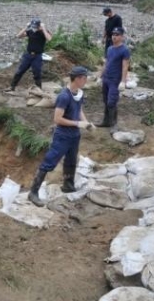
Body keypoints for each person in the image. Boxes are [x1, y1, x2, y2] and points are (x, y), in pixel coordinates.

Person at [27, 66, 94, 206]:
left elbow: (79, 109)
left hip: (75, 135)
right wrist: (77, 123)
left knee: (71, 160)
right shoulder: (64, 96)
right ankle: (33, 192)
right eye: (84, 78)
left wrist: (86, 123)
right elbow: (57, 119)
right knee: (50, 161)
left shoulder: (79, 93)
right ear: (76, 79)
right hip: (63, 135)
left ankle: (68, 185)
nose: (86, 80)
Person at [96, 26, 130, 132]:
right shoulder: (110, 48)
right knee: (105, 101)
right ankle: (106, 121)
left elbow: (125, 66)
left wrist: (123, 81)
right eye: (113, 34)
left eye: (117, 35)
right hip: (106, 78)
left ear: (122, 37)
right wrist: (100, 76)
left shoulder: (124, 50)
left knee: (112, 102)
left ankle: (114, 124)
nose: (114, 37)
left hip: (115, 80)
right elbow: (106, 63)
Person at [4, 18, 52, 93]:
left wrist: (43, 28)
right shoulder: (30, 32)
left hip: (37, 56)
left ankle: (39, 90)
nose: (34, 28)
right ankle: (12, 86)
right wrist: (26, 27)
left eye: (36, 27)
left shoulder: (43, 33)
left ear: (39, 26)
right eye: (33, 26)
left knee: (37, 73)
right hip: (28, 55)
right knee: (20, 71)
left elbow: (49, 39)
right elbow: (18, 36)